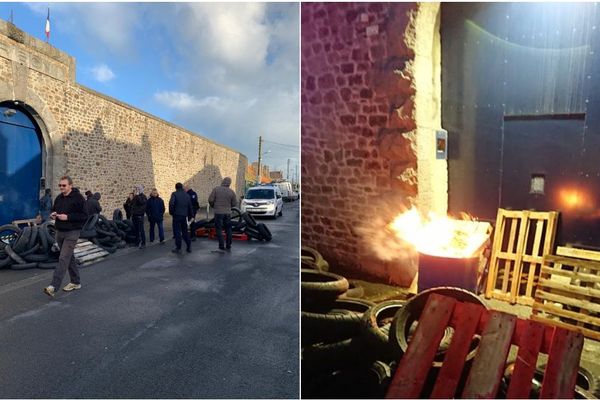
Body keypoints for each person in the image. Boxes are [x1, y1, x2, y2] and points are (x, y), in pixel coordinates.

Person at [43, 176, 88, 297]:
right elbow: (54, 210)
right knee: (69, 257)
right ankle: (75, 282)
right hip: (60, 231)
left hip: (72, 232)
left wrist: (68, 217)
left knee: (63, 258)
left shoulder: (78, 198)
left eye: (64, 185)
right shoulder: (59, 198)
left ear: (70, 186)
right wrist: (53, 214)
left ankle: (53, 286)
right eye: (60, 185)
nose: (61, 187)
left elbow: (84, 215)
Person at [208, 177, 238, 251]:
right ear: (229, 183)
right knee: (228, 229)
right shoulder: (231, 192)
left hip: (218, 212)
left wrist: (213, 205)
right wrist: (228, 206)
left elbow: (210, 200)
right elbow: (234, 203)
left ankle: (221, 245)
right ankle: (228, 245)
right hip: (227, 213)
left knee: (219, 229)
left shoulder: (216, 189)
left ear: (222, 182)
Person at [169, 182, 193, 253]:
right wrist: (191, 215)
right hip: (184, 216)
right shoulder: (187, 195)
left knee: (177, 232)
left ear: (176, 187)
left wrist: (171, 212)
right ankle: (189, 246)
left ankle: (178, 247)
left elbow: (171, 204)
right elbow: (190, 206)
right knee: (185, 231)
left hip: (176, 215)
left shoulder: (174, 194)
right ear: (182, 187)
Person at [131, 185, 148, 249]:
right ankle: (137, 242)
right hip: (134, 215)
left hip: (140, 215)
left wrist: (137, 195)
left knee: (141, 230)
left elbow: (141, 202)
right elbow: (132, 203)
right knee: (136, 229)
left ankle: (143, 243)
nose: (137, 190)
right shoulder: (136, 196)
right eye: (136, 189)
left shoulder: (143, 197)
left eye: (138, 189)